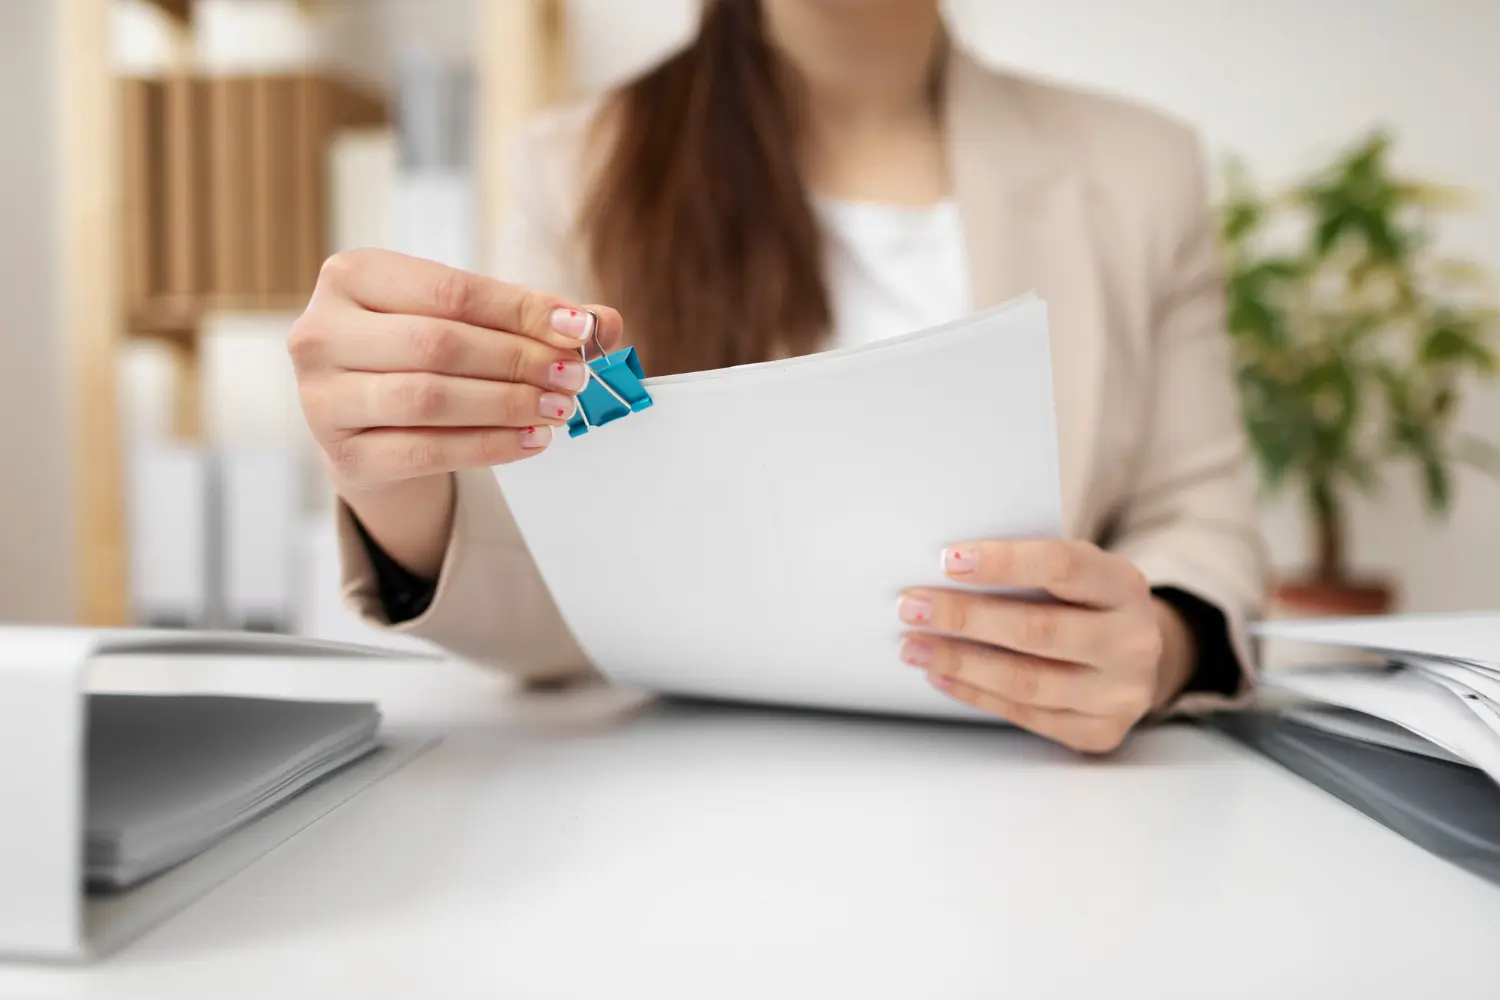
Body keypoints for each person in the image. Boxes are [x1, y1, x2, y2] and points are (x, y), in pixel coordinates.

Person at [289, 0, 1268, 753]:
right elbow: (554, 583)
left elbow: (1199, 519)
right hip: (681, 814)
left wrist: (1160, 646)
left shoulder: (1141, 170)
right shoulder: (580, 169)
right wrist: (397, 481)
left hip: (1045, 809)